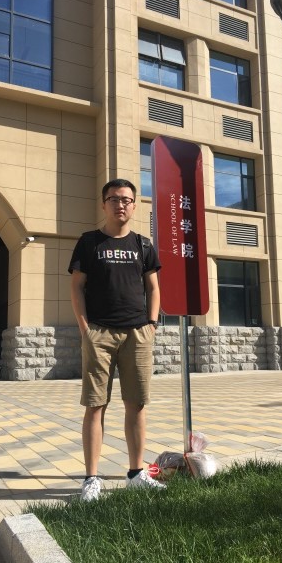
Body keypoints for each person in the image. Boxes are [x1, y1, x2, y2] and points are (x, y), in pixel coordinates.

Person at [69, 178, 166, 502]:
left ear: (134, 205)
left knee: (136, 405)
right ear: (104, 204)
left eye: (126, 199)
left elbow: (153, 287)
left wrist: (151, 324)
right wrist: (85, 328)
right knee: (95, 405)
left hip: (138, 333)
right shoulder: (89, 242)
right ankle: (91, 479)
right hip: (99, 333)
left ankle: (136, 474)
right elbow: (76, 286)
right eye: (114, 199)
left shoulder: (143, 245)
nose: (120, 204)